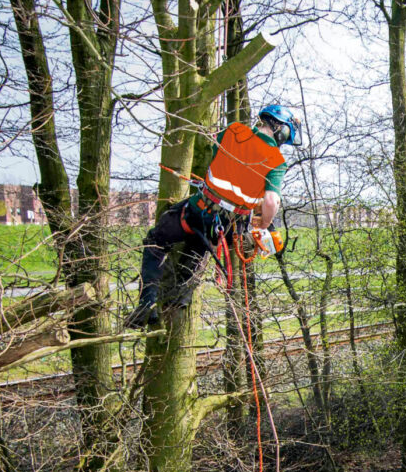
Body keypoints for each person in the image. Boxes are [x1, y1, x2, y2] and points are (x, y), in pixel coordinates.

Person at [126, 105, 299, 327]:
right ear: (281, 131)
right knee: (200, 244)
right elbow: (271, 201)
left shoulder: (234, 131)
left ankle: (147, 303)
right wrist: (264, 223)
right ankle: (177, 301)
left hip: (200, 210)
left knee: (157, 240)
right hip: (229, 227)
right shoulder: (277, 161)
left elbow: (215, 153)